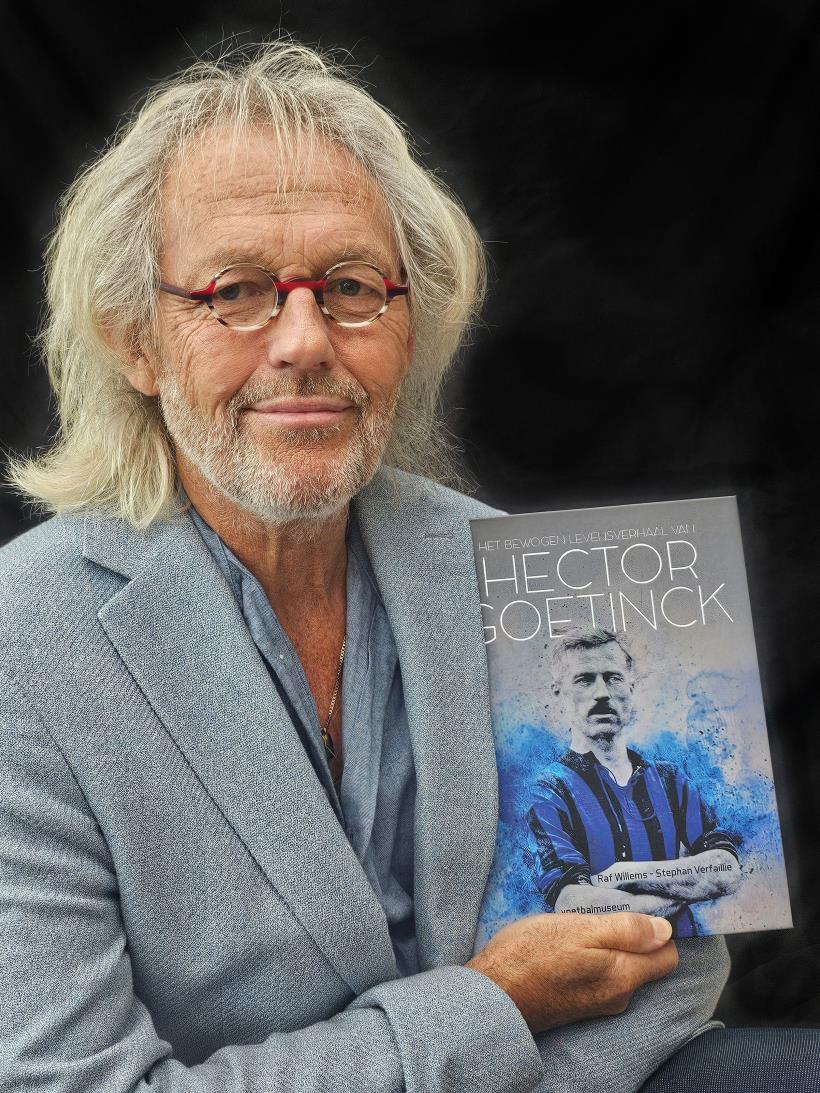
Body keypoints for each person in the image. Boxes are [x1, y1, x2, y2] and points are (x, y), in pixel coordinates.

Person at [1, 38, 815, 1093]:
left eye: (350, 287)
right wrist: (492, 1003)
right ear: (135, 342)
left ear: (409, 323)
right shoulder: (23, 643)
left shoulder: (521, 569)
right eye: (237, 290)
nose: (305, 340)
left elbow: (670, 962)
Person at [525, 628, 741, 937]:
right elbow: (574, 904)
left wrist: (625, 874)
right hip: (606, 962)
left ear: (631, 686)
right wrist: (686, 889)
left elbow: (726, 869)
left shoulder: (670, 780)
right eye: (584, 679)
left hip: (690, 954)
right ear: (558, 692)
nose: (602, 693)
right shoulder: (549, 791)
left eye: (613, 678)